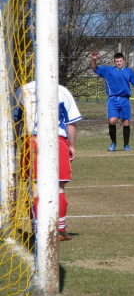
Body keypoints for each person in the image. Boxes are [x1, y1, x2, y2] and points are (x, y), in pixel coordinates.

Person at [15, 80, 83, 241]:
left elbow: (16, 121)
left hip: (31, 141)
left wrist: (14, 143)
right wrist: (71, 145)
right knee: (58, 187)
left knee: (35, 188)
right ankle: (59, 229)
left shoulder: (23, 91)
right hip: (57, 141)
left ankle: (37, 229)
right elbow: (70, 122)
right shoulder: (62, 91)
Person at [91, 52, 134, 152]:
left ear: (124, 61)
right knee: (112, 120)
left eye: (120, 61)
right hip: (112, 99)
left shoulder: (129, 71)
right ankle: (113, 143)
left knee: (125, 122)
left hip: (125, 99)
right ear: (114, 61)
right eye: (117, 61)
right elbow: (94, 68)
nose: (119, 63)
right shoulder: (108, 70)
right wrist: (94, 60)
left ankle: (126, 145)